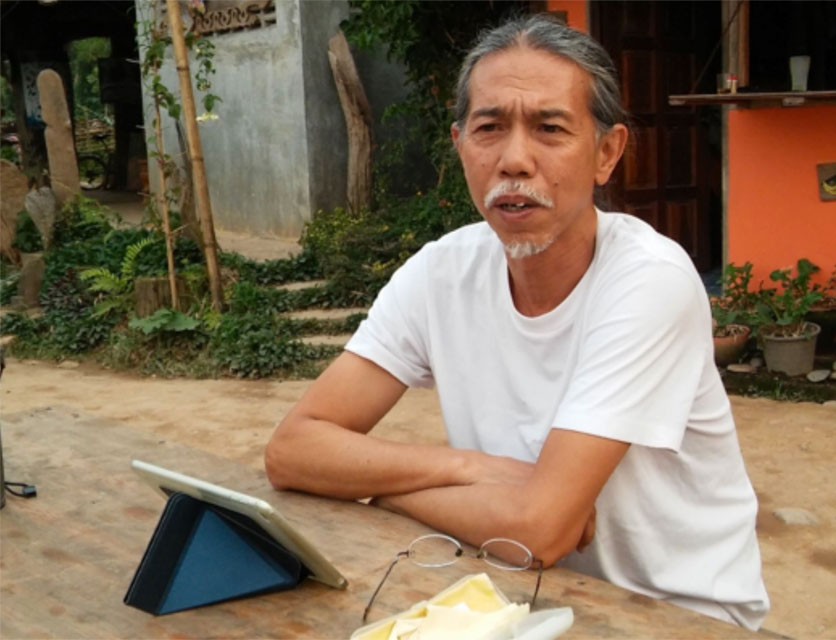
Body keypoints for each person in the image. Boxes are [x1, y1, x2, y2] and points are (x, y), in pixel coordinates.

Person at [265, 14, 769, 630]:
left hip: (675, 615)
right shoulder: (440, 272)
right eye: (489, 128)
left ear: (607, 153)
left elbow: (540, 529)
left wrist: (373, 484)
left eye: (550, 128)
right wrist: (469, 469)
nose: (514, 160)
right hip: (527, 600)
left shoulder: (647, 279)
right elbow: (294, 451)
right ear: (460, 146)